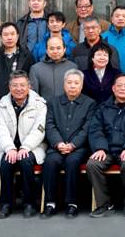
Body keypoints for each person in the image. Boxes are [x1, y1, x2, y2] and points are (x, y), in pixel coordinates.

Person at [87, 74, 125, 218]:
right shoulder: (103, 107)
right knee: (92, 164)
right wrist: (100, 148)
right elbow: (95, 129)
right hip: (106, 149)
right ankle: (104, 204)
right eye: (119, 85)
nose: (123, 88)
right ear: (113, 88)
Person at [41, 69, 97, 218]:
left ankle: (72, 203)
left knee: (72, 162)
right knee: (51, 162)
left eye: (76, 83)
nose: (72, 86)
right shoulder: (53, 102)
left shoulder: (90, 103)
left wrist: (73, 145)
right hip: (56, 146)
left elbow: (87, 128)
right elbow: (49, 124)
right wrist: (58, 143)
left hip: (78, 148)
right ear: (64, 84)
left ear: (82, 85)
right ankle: (50, 203)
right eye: (69, 82)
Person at [0, 71, 47, 219]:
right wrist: (9, 148)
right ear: (9, 87)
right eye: (15, 85)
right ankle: (6, 204)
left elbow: (39, 130)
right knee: (6, 163)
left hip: (33, 147)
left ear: (29, 86)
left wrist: (25, 147)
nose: (19, 89)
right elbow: (0, 131)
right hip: (9, 147)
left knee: (25, 160)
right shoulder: (1, 106)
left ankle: (29, 203)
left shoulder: (39, 104)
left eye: (22, 85)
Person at [0, 22, 34, 106]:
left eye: (12, 34)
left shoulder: (27, 56)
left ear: (17, 36)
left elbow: (32, 81)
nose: (9, 37)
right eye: (5, 35)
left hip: (22, 103)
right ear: (1, 37)